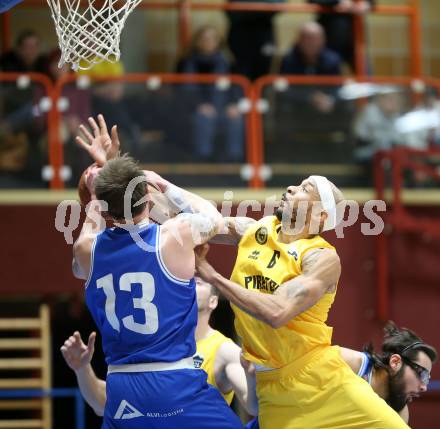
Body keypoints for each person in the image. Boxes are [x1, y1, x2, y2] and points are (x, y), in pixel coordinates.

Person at [195, 176, 411, 428]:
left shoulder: (320, 257)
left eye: (305, 189)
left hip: (319, 376)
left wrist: (214, 278)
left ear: (321, 215)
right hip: (271, 389)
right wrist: (153, 185)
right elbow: (199, 219)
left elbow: (278, 313)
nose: (290, 188)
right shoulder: (256, 230)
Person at [72, 115, 242, 428]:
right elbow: (212, 217)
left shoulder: (87, 252)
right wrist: (161, 181)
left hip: (121, 384)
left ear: (104, 208)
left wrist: (100, 184)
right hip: (173, 380)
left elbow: (91, 227)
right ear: (148, 196)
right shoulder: (173, 236)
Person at [61, 276, 256, 416]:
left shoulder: (224, 350)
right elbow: (103, 403)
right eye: (184, 282)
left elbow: (253, 406)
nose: (188, 285)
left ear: (213, 301)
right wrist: (82, 369)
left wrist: (252, 372)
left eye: (197, 282)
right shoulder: (153, 346)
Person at [243, 321, 437, 428]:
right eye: (421, 374)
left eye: (427, 378)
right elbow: (258, 406)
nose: (424, 386)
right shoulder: (349, 362)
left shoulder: (399, 413)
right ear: (395, 362)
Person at [177, 25, 244, 162]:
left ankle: (234, 160)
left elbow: (236, 87)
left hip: (223, 107)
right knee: (204, 118)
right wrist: (198, 105)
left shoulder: (229, 63)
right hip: (195, 109)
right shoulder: (186, 63)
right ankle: (203, 160)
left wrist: (234, 104)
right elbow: (182, 91)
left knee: (236, 118)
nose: (208, 42)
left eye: (212, 39)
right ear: (197, 41)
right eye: (204, 39)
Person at [308, 0, 374, 72]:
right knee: (330, 78)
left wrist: (367, 4)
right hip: (329, 40)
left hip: (353, 40)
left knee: (366, 78)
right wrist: (337, 1)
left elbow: (370, 2)